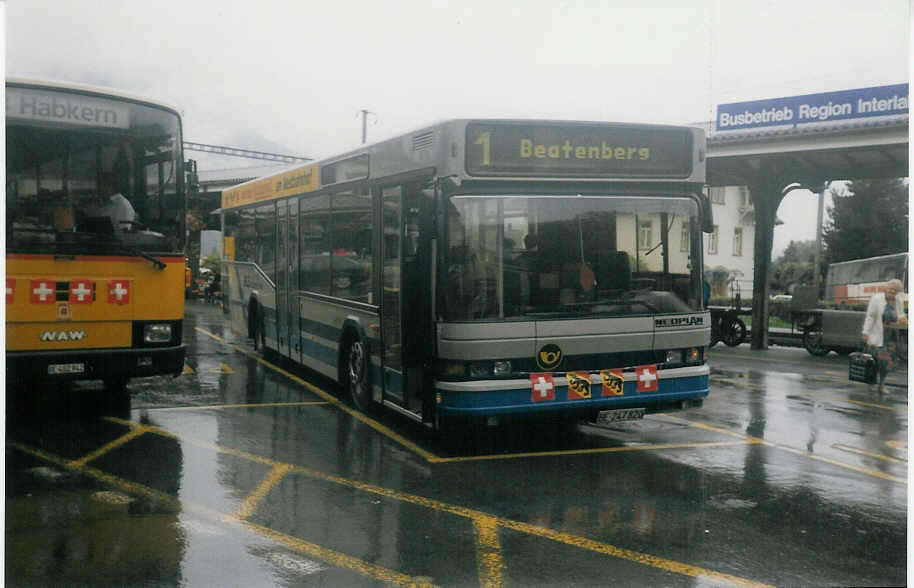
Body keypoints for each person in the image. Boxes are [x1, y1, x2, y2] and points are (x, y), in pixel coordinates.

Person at [861, 278, 907, 393]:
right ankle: (871, 381)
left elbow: (901, 315)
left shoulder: (898, 301)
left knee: (888, 363)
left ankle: (881, 385)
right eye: (891, 289)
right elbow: (870, 316)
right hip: (877, 335)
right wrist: (865, 332)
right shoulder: (876, 299)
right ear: (886, 288)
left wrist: (904, 320)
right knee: (879, 361)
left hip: (891, 338)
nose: (892, 292)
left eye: (895, 291)